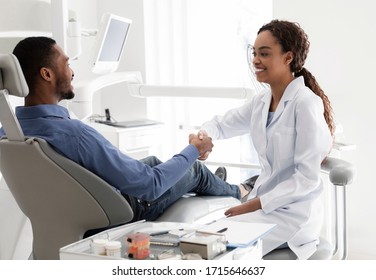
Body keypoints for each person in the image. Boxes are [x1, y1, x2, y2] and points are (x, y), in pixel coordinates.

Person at [0, 36, 251, 223]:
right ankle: (239, 191)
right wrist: (194, 149)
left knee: (153, 160)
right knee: (193, 168)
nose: (73, 71)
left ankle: (214, 182)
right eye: (66, 64)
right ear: (47, 74)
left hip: (71, 209)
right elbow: (150, 186)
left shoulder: (9, 134)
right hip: (122, 208)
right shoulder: (74, 134)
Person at [198, 20, 334, 259]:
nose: (256, 60)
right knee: (203, 240)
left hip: (294, 213)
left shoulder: (305, 104)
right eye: (254, 53)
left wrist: (254, 204)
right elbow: (221, 124)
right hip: (262, 206)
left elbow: (305, 178)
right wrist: (202, 136)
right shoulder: (261, 101)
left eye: (264, 54)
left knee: (220, 252)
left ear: (287, 57)